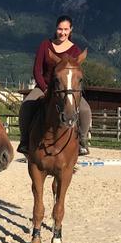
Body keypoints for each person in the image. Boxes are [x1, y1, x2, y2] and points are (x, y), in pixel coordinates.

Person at [17, 15, 91, 156]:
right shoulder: (45, 45)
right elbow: (37, 70)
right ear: (56, 29)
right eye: (60, 29)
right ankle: (25, 141)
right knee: (26, 105)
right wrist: (44, 88)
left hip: (67, 89)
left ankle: (82, 141)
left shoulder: (75, 50)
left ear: (70, 30)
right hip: (44, 86)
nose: (62, 32)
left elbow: (75, 75)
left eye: (66, 29)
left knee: (85, 110)